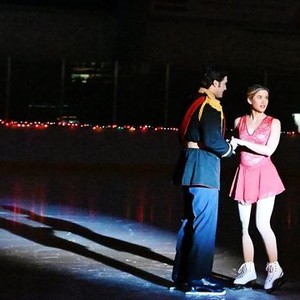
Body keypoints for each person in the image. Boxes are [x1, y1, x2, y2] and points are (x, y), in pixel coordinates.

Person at [171, 66, 237, 296]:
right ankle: (198, 278)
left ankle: (182, 276)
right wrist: (228, 149)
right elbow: (212, 140)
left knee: (189, 222)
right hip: (204, 168)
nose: (226, 88)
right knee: (204, 226)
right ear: (215, 83)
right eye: (224, 83)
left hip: (189, 165)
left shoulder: (193, 101)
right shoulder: (209, 104)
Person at [229, 84, 285, 293]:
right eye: (259, 97)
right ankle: (249, 270)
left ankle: (274, 269)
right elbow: (235, 147)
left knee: (262, 224)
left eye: (266, 98)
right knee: (245, 226)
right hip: (244, 174)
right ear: (249, 99)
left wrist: (241, 141)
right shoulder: (238, 121)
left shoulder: (274, 122)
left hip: (265, 175)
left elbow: (269, 150)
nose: (263, 101)